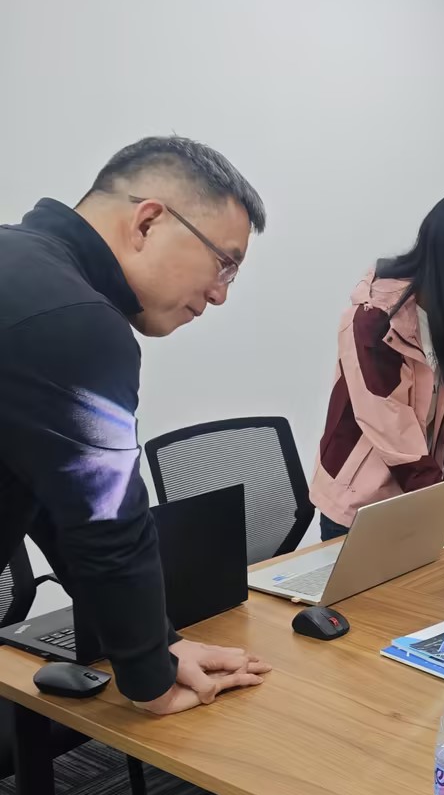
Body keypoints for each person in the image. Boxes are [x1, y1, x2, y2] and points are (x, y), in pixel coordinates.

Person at [0, 136, 271, 716]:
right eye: (224, 263)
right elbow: (107, 523)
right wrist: (153, 683)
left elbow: (59, 501)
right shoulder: (74, 319)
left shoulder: (20, 272)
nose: (220, 294)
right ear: (148, 221)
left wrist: (159, 647)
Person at [311, 193, 444, 540]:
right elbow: (386, 418)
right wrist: (439, 491)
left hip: (423, 492)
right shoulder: (374, 319)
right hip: (361, 502)